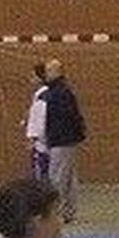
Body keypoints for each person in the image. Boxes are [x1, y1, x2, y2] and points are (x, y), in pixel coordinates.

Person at [41, 59, 85, 222]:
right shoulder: (59, 91)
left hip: (62, 140)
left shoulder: (60, 93)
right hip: (66, 139)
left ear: (56, 72)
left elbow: (71, 116)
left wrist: (72, 135)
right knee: (69, 178)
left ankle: (57, 213)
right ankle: (68, 211)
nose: (46, 74)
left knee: (57, 177)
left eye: (48, 71)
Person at [24, 62, 49, 180]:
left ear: (40, 78)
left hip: (42, 143)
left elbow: (39, 119)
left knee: (40, 173)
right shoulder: (41, 95)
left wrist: (32, 138)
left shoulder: (43, 96)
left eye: (33, 76)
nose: (31, 79)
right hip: (46, 141)